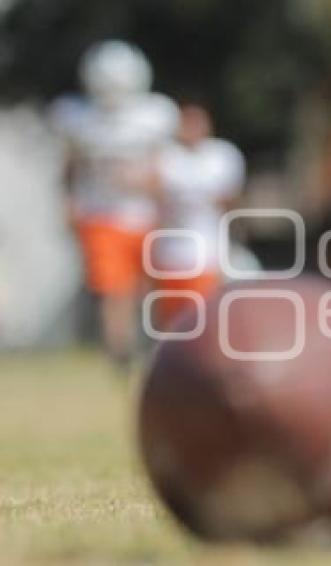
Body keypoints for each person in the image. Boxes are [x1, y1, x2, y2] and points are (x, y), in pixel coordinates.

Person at [50, 40, 179, 373]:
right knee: (114, 289)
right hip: (101, 213)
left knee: (149, 287)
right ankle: (119, 352)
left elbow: (165, 171)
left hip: (145, 214)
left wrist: (142, 184)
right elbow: (70, 167)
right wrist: (68, 203)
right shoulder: (76, 117)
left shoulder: (156, 115)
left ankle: (159, 350)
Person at [149, 103, 245, 327]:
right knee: (170, 314)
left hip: (206, 247)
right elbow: (150, 190)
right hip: (169, 249)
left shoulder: (222, 155)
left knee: (202, 309)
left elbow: (231, 198)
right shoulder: (165, 157)